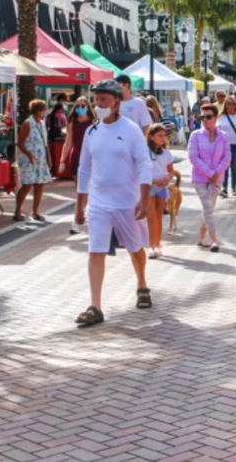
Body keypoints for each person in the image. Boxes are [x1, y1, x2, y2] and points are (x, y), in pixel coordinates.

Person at [75, 79, 152, 327]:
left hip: (126, 201)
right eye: (96, 100)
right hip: (98, 202)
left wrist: (144, 197)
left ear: (117, 102)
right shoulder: (91, 132)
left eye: (103, 100)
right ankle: (95, 305)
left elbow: (144, 163)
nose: (98, 105)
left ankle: (141, 282)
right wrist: (79, 204)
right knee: (96, 251)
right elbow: (84, 168)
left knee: (135, 246)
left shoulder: (131, 130)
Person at [187, 105, 227, 252]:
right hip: (200, 178)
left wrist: (216, 173)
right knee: (209, 209)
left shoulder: (223, 136)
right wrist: (210, 173)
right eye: (202, 117)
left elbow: (226, 157)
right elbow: (193, 157)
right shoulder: (195, 135)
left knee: (208, 209)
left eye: (208, 117)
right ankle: (214, 240)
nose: (205, 120)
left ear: (215, 118)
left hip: (217, 179)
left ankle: (201, 238)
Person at [143, 123, 180, 258]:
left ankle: (157, 244)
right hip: (149, 187)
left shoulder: (166, 153)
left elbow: (171, 170)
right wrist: (153, 181)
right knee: (151, 218)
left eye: (164, 136)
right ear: (151, 137)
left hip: (162, 188)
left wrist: (168, 179)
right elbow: (139, 171)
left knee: (159, 217)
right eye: (159, 136)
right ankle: (151, 246)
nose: (163, 138)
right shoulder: (144, 151)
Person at [14, 99, 52, 222]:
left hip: (40, 159)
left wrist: (49, 158)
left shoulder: (41, 123)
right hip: (28, 159)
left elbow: (45, 143)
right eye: (42, 110)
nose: (44, 112)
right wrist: (29, 154)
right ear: (37, 111)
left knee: (40, 184)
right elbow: (19, 142)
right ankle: (17, 211)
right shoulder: (27, 123)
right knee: (27, 184)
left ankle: (35, 211)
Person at [64, 96, 97, 233]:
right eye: (78, 106)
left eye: (83, 106)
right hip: (76, 158)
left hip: (91, 159)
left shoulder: (93, 122)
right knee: (80, 191)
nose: (80, 108)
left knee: (89, 191)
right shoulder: (72, 122)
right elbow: (68, 141)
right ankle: (78, 220)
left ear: (88, 107)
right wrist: (62, 160)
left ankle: (84, 218)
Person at [46, 94, 69, 175]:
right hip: (59, 136)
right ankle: (56, 170)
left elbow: (47, 125)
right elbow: (65, 126)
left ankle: (52, 170)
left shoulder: (49, 114)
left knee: (51, 154)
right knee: (57, 154)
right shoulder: (62, 115)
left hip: (50, 135)